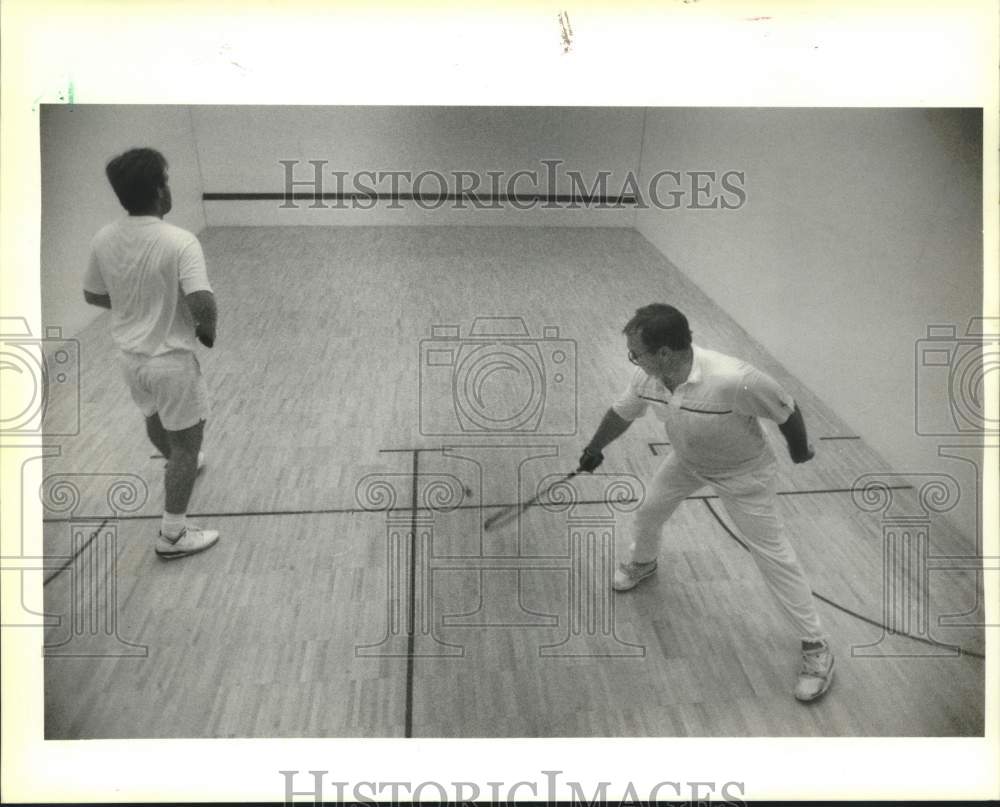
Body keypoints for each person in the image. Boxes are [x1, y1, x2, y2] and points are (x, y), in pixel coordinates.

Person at [579, 303, 834, 702]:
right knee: (648, 512)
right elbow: (622, 412)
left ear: (664, 352)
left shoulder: (734, 380)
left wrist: (800, 453)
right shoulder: (648, 377)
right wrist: (595, 447)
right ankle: (643, 563)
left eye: (636, 352)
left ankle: (816, 648)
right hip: (687, 462)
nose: (632, 360)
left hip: (745, 476)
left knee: (774, 558)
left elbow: (788, 410)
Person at [83, 147, 220, 560]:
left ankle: (185, 464)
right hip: (172, 364)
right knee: (187, 442)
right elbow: (202, 301)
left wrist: (135, 308)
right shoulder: (180, 241)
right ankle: (173, 535)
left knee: (154, 420)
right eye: (167, 178)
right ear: (159, 189)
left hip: (130, 361)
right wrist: (206, 332)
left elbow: (92, 294)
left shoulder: (104, 237)